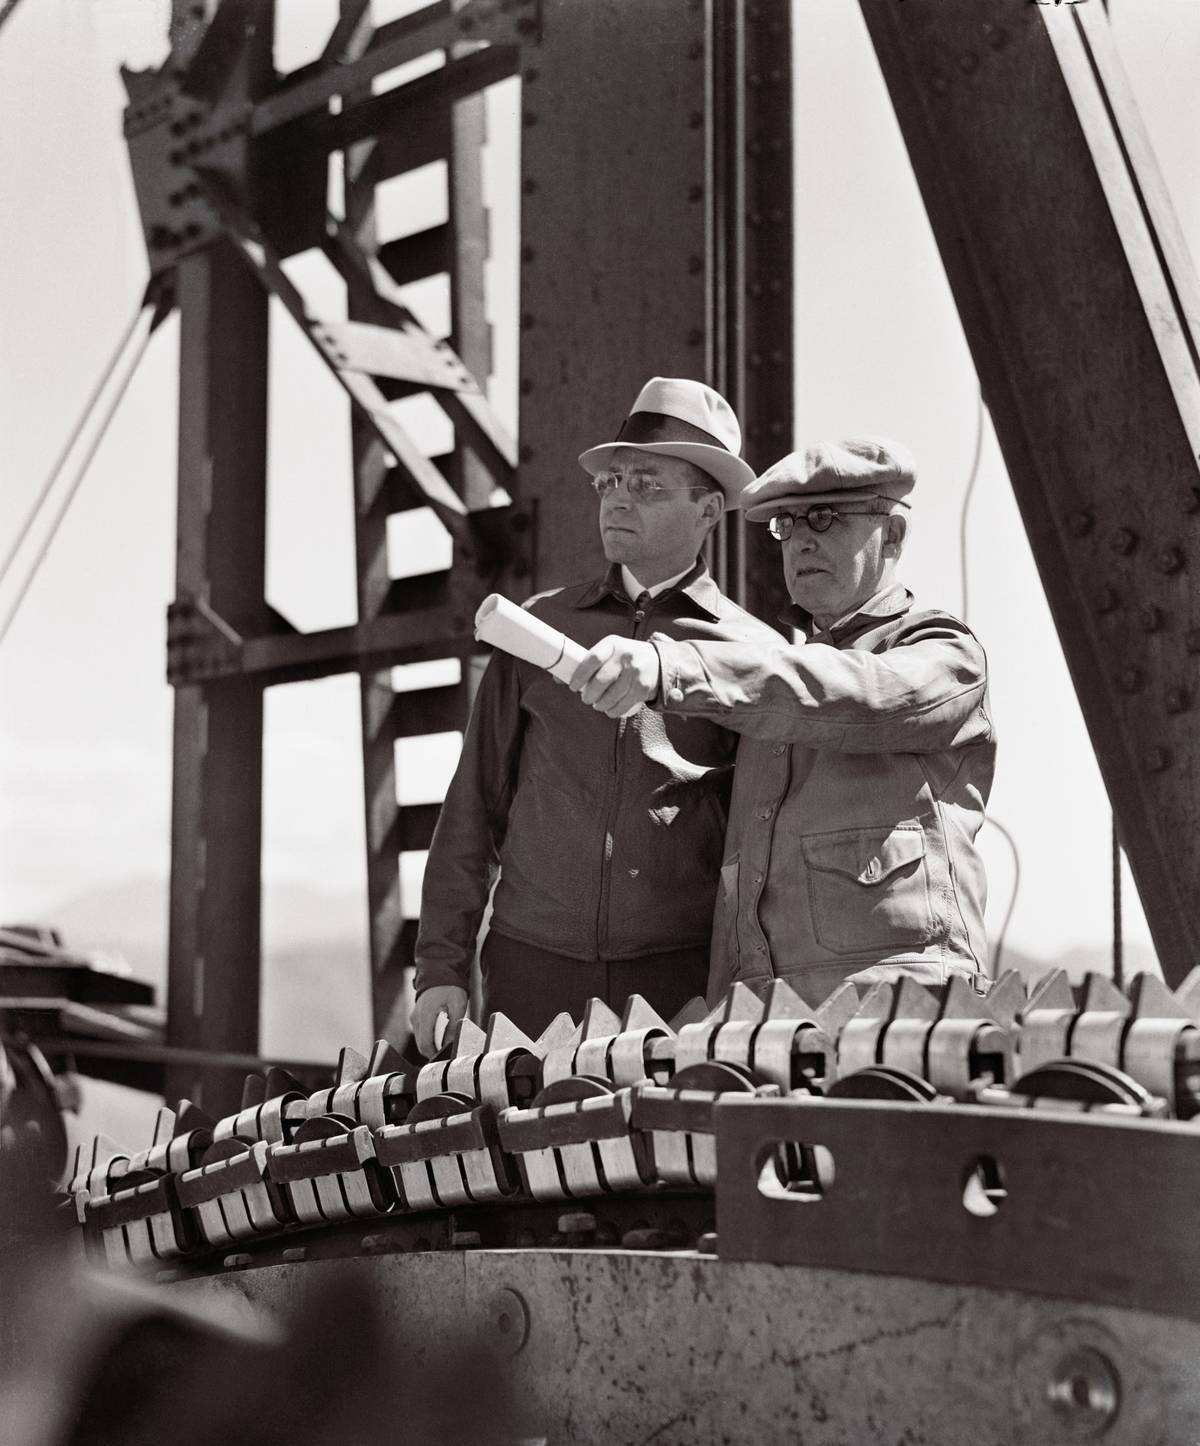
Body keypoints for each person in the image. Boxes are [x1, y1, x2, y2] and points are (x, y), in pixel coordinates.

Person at [408, 377, 779, 1054]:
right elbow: (473, 806)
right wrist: (440, 965)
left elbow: (767, 847)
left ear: (708, 509)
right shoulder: (538, 626)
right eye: (611, 482)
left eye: (647, 485)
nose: (618, 500)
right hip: (529, 973)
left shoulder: (756, 656)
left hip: (678, 984)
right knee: (525, 1159)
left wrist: (731, 989)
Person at [568, 437, 994, 1004]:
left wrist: (675, 665)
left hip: (903, 1005)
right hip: (769, 1016)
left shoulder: (942, 654)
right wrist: (720, 1010)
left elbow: (856, 692)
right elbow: (740, 874)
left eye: (825, 518)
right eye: (786, 525)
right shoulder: (772, 680)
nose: (802, 541)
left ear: (891, 534)